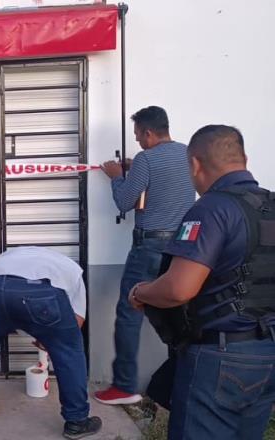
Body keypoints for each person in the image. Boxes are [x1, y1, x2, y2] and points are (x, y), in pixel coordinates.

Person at [129, 125, 275, 439]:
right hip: (267, 352)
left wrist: (141, 291)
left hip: (220, 357)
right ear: (245, 158)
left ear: (194, 164)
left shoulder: (211, 209)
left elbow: (179, 289)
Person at [95, 106, 195, 405]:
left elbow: (126, 202)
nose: (137, 141)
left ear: (149, 133)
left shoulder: (146, 159)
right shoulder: (189, 154)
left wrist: (115, 176)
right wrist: (137, 169)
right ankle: (182, 383)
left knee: (130, 311)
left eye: (138, 135)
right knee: (179, 314)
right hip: (182, 246)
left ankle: (124, 387)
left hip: (149, 246)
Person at [0, 246, 102, 439]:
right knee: (70, 351)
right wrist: (51, 340)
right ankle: (77, 421)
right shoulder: (73, 271)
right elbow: (76, 321)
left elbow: (8, 298)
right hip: (38, 292)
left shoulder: (6, 258)